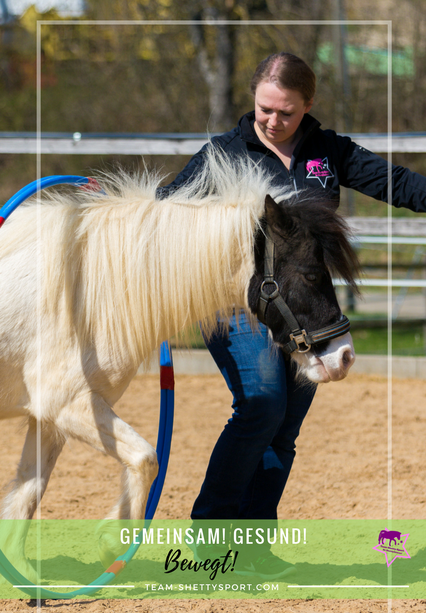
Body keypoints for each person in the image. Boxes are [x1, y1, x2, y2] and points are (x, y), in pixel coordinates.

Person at [158, 52, 426, 580]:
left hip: (305, 309)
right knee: (262, 403)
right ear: (253, 98)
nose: (273, 121)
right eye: (264, 109)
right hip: (237, 306)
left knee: (284, 429)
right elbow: (166, 208)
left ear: (307, 106)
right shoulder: (224, 154)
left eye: (286, 111)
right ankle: (210, 539)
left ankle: (255, 553)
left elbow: (400, 184)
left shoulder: (329, 151)